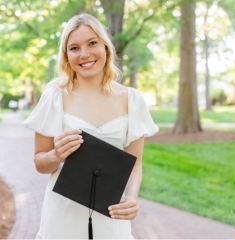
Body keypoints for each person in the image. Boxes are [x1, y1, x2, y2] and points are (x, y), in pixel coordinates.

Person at [23, 13, 158, 239]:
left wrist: (131, 198)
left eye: (92, 43)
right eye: (74, 48)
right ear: (66, 55)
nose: (84, 54)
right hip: (62, 216)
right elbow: (40, 162)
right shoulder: (55, 95)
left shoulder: (132, 100)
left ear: (105, 47)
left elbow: (134, 165)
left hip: (111, 217)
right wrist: (56, 154)